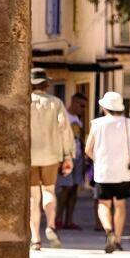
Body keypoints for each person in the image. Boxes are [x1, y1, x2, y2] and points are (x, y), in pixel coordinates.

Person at [87, 90, 130, 253]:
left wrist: (99, 159)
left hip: (103, 170)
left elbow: (88, 149)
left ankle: (108, 230)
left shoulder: (96, 124)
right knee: (120, 205)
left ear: (104, 108)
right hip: (123, 171)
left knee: (103, 203)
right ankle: (117, 239)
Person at [29, 69, 73, 250]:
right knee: (48, 191)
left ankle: (35, 238)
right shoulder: (56, 103)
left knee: (33, 197)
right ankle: (50, 225)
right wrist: (68, 155)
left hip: (30, 156)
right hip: (51, 155)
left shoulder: (26, 102)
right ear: (46, 84)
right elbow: (64, 128)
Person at [54, 98, 85, 230]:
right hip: (66, 156)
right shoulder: (64, 117)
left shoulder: (77, 119)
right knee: (65, 188)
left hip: (77, 156)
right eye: (81, 105)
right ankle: (58, 218)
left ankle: (69, 220)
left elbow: (80, 138)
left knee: (74, 189)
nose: (83, 108)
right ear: (73, 102)